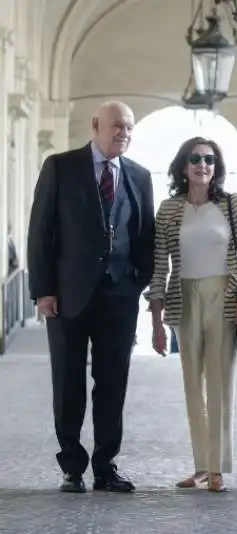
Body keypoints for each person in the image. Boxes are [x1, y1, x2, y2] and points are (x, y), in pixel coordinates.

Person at [27, 101, 155, 493]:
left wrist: (138, 280)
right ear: (96, 124)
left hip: (119, 296)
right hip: (68, 295)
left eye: (130, 128)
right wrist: (44, 291)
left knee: (113, 382)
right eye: (117, 126)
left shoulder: (139, 175)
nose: (124, 133)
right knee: (67, 380)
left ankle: (105, 465)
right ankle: (71, 465)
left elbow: (145, 235)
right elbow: (40, 233)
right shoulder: (60, 167)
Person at [146, 136, 237, 493]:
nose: (203, 165)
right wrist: (156, 323)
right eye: (195, 159)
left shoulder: (231, 204)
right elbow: (158, 266)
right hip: (185, 299)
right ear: (184, 166)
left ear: (217, 166)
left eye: (210, 159)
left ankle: (217, 469)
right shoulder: (168, 209)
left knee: (219, 384)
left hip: (224, 297)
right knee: (193, 386)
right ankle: (201, 465)